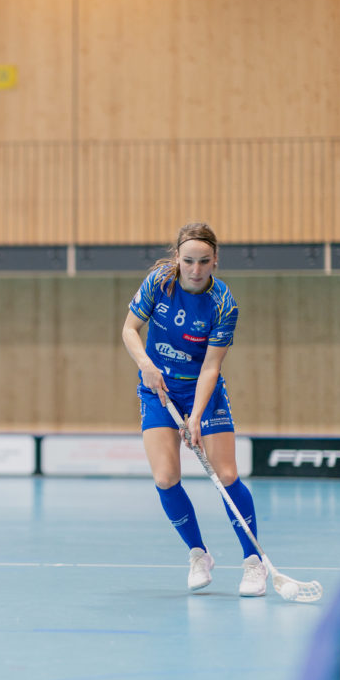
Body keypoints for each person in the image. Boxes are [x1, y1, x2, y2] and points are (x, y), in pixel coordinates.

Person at [121, 222, 267, 596]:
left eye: (204, 261)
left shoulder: (223, 303)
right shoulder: (159, 283)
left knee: (227, 475)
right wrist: (146, 365)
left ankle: (254, 561)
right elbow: (129, 329)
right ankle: (198, 554)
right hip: (158, 390)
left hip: (203, 391)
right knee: (165, 478)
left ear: (215, 260)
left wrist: (196, 417)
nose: (195, 269)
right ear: (177, 258)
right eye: (188, 261)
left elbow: (211, 367)